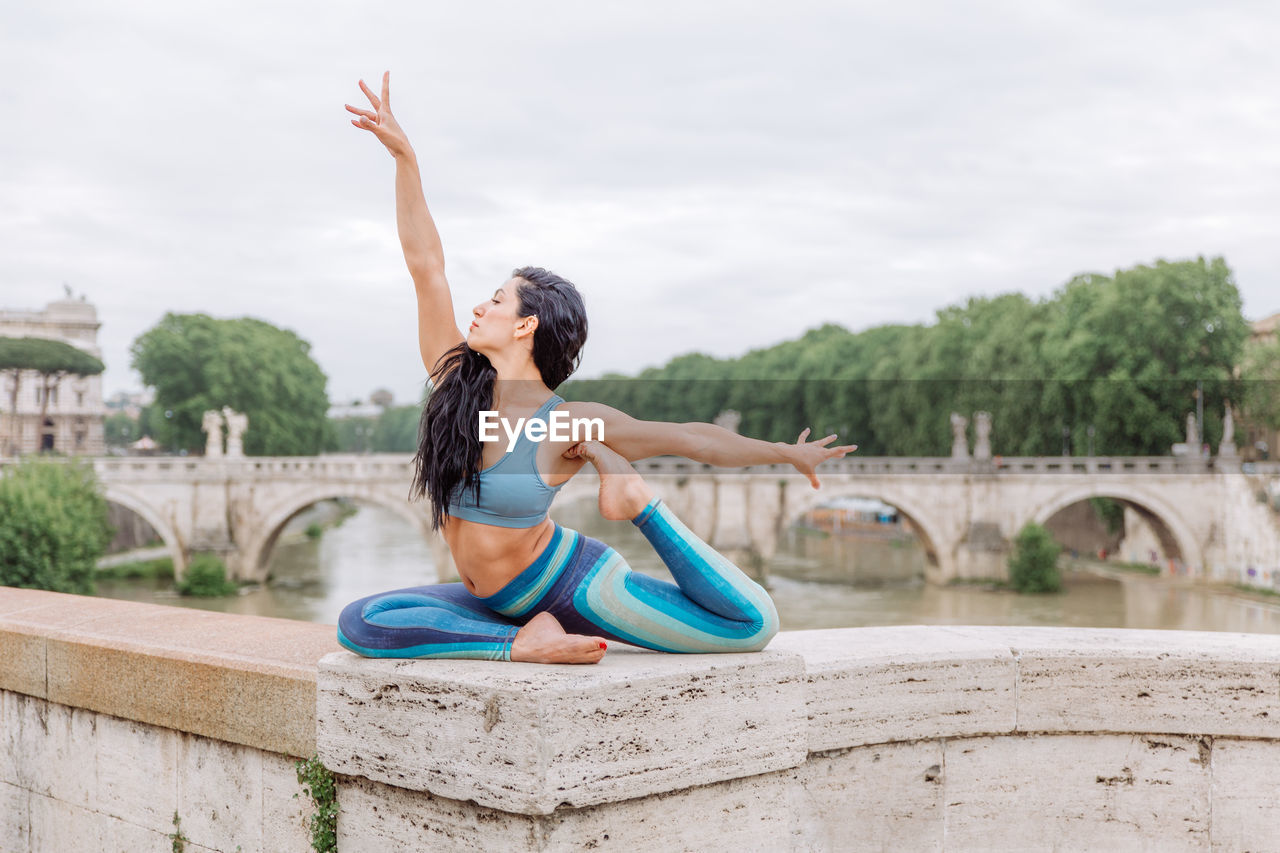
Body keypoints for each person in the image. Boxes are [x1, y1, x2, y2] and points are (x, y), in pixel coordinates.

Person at [336, 73, 857, 664]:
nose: (478, 307)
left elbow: (688, 439)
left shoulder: (565, 423)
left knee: (750, 623)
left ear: (527, 325)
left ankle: (636, 503)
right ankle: (524, 642)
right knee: (362, 623)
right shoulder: (457, 384)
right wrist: (406, 158)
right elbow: (425, 266)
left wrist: (785, 452)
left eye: (497, 300)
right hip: (501, 605)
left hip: (570, 585)